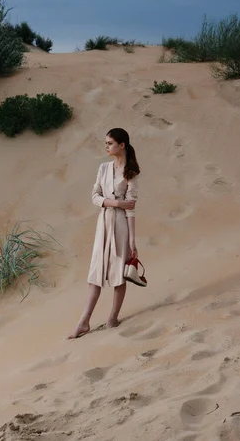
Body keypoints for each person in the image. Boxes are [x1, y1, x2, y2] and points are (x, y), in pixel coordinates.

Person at [68, 128, 140, 339]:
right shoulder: (103, 168)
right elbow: (94, 196)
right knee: (95, 272)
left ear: (122, 145)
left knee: (119, 272)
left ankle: (112, 319)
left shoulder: (131, 172)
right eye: (106, 143)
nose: (106, 146)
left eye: (109, 143)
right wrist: (116, 202)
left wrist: (133, 240)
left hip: (120, 226)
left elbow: (132, 208)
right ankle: (83, 322)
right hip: (104, 222)